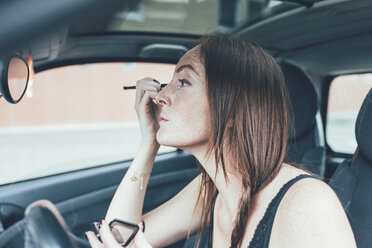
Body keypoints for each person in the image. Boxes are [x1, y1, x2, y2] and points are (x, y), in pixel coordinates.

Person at [85, 35, 356, 248]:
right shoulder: (213, 189)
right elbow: (120, 238)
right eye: (169, 81)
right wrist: (148, 143)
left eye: (183, 82)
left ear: (233, 111)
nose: (162, 94)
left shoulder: (307, 206)